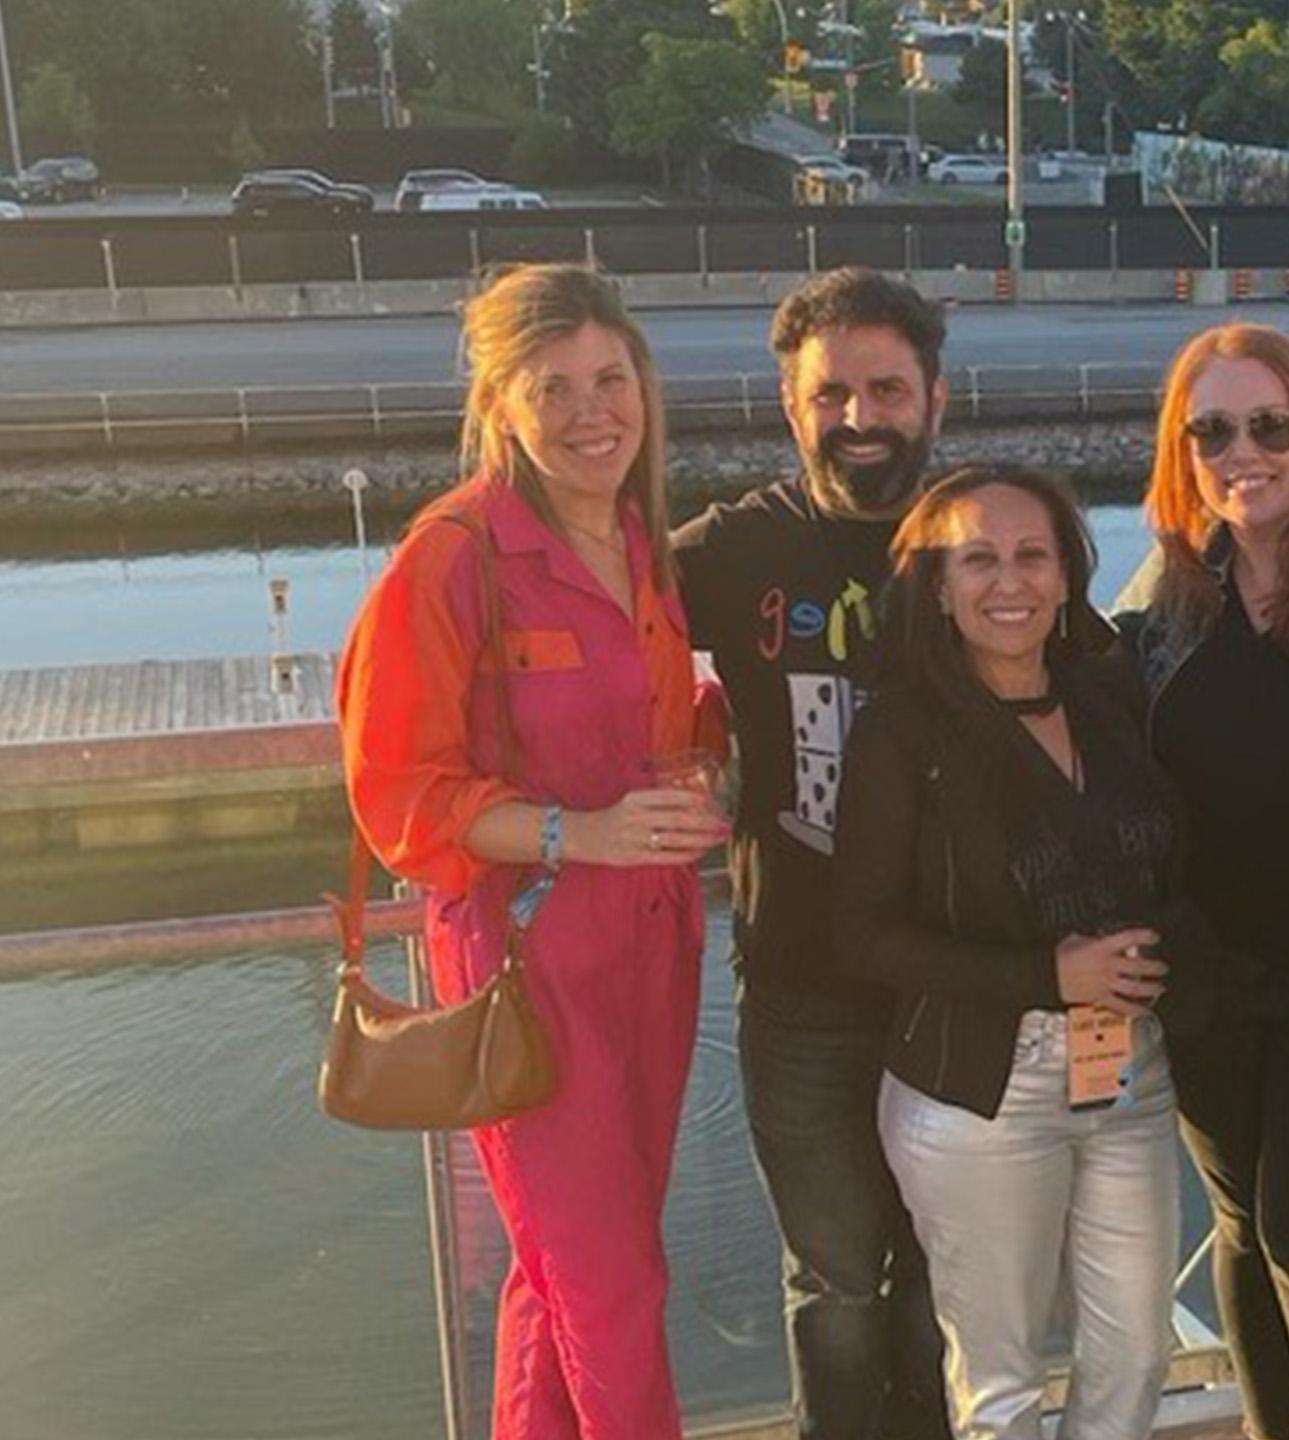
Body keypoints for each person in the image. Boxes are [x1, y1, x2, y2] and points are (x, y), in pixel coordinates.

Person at [338, 263, 723, 1439]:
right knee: (611, 1284)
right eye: (551, 387)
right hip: (529, 958)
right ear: (500, 404)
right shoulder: (451, 559)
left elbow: (662, 719)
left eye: (611, 379)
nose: (590, 411)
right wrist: (585, 832)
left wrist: (700, 765)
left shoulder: (640, 539)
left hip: (654, 947)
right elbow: (398, 791)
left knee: (563, 1272)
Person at [838, 467, 1213, 1440]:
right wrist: (1043, 977)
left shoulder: (1107, 695)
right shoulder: (898, 730)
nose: (1009, 582)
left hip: (1129, 1074)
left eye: (1031, 555)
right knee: (1000, 1390)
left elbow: (1166, 857)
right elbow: (861, 933)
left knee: (1135, 1353)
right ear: (936, 583)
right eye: (977, 559)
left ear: (1066, 572)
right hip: (978, 1095)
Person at [673, 267, 951, 1440]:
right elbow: (571, 620)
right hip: (800, 990)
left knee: (949, 1282)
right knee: (835, 1285)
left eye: (887, 388)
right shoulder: (729, 552)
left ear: (937, 396)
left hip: (966, 988)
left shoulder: (985, 535)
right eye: (830, 393)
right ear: (788, 407)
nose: (860, 418)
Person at [1117, 324, 1289, 1440]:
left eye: (1271, 425)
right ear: (1181, 452)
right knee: (1238, 1222)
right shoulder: (1172, 597)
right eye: (1213, 431)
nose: (1244, 452)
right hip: (1210, 980)